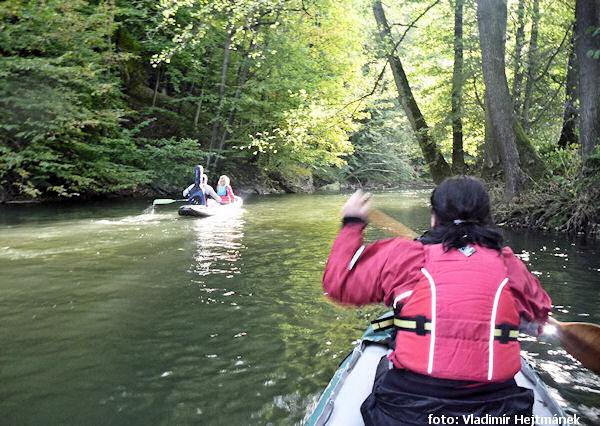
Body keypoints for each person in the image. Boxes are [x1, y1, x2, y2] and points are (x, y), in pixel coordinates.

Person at [322, 177, 551, 425]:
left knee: (383, 363)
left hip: (407, 412)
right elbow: (539, 320)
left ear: (434, 218)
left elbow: (338, 284)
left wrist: (352, 223)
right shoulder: (510, 266)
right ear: (487, 219)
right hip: (499, 412)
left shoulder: (406, 257)